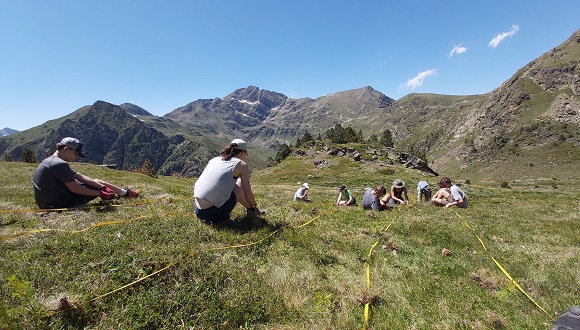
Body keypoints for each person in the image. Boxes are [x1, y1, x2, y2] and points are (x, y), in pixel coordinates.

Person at [32, 137, 139, 209]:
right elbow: (75, 188)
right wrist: (100, 193)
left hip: (46, 202)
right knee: (93, 185)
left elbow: (79, 176)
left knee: (96, 182)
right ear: (66, 148)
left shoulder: (52, 161)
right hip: (56, 205)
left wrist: (101, 186)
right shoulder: (59, 164)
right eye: (76, 154)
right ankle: (126, 194)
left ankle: (124, 193)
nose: (76, 157)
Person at [194, 138, 262, 224]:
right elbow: (248, 196)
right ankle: (252, 211)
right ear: (242, 153)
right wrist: (253, 204)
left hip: (198, 210)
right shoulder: (242, 165)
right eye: (245, 154)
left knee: (235, 187)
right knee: (240, 183)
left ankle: (252, 210)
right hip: (212, 214)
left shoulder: (215, 159)